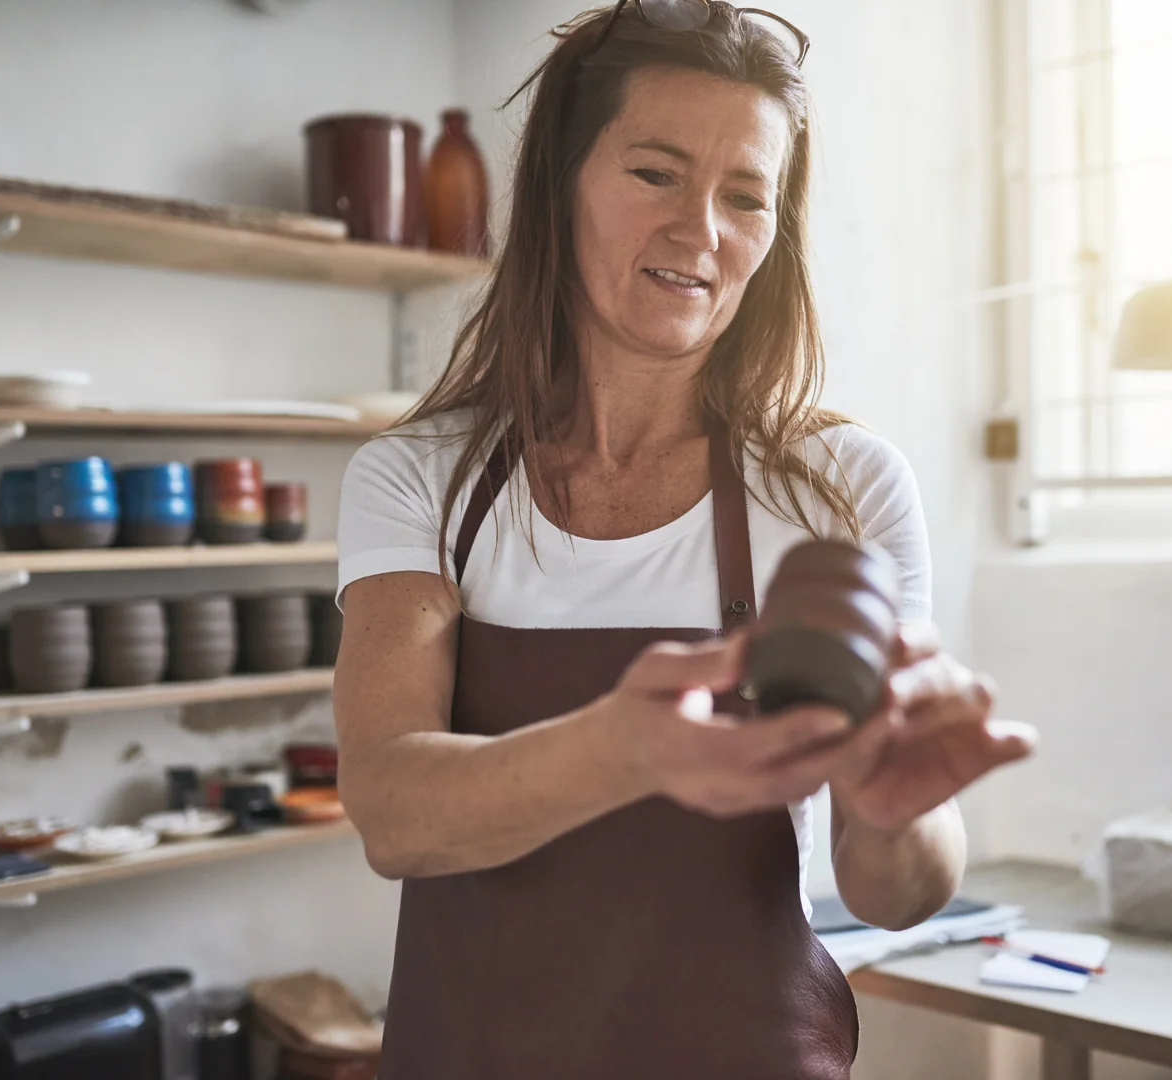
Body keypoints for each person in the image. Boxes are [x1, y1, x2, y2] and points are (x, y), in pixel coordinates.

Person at [333, 2, 1036, 1076]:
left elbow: (893, 892)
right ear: (562, 182)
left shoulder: (840, 490)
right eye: (655, 174)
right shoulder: (423, 480)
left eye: (745, 196)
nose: (700, 231)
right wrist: (621, 749)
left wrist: (899, 814)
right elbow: (393, 812)